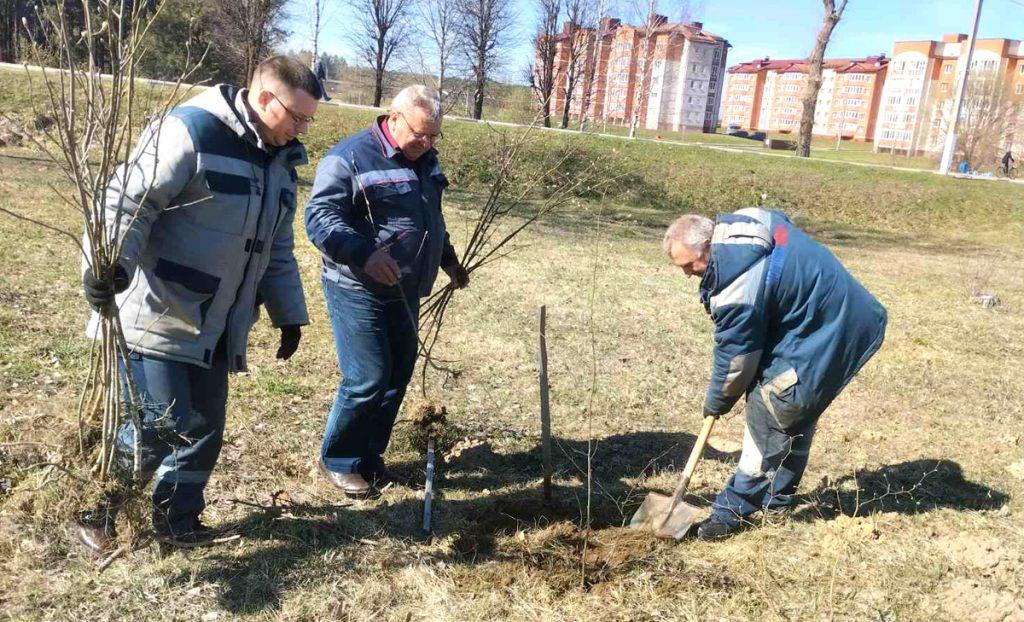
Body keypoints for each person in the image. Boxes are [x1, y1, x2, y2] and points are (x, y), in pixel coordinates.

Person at [75, 56, 321, 553]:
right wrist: (107, 267)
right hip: (158, 310)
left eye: (308, 120)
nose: (302, 129)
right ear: (264, 98)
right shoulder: (190, 131)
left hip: (218, 323)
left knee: (204, 428)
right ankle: (97, 510)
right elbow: (126, 202)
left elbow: (275, 247)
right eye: (296, 117)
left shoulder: (279, 160)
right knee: (159, 424)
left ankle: (176, 521)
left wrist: (288, 312)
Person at [662, 208, 887, 540]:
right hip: (841, 317)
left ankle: (731, 512)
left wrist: (716, 404)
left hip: (826, 333)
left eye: (688, 265)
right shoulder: (749, 221)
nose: (687, 274)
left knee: (775, 407)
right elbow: (783, 225)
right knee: (795, 413)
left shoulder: (736, 289)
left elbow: (736, 362)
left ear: (708, 245)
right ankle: (777, 502)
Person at [305, 85, 468, 498]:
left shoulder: (426, 161)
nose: (427, 143)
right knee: (368, 377)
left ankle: (369, 458)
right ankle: (339, 460)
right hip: (356, 286)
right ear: (394, 119)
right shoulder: (349, 157)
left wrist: (448, 259)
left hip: (407, 287)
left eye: (434, 136)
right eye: (420, 133)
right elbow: (320, 218)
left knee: (397, 375)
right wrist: (365, 254)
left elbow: (432, 218)